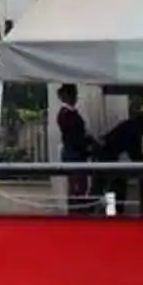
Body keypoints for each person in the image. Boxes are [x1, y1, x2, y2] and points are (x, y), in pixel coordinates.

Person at [93, 111, 143, 216]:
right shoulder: (133, 131)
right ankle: (111, 212)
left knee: (113, 186)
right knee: (112, 187)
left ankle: (111, 212)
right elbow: (134, 152)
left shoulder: (129, 125)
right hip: (109, 159)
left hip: (110, 158)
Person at [56, 84, 95, 214]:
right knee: (77, 185)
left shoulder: (71, 113)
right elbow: (74, 136)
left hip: (76, 152)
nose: (75, 98)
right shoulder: (66, 114)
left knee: (80, 185)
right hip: (74, 153)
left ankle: (77, 210)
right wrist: (88, 148)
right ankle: (75, 212)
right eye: (73, 94)